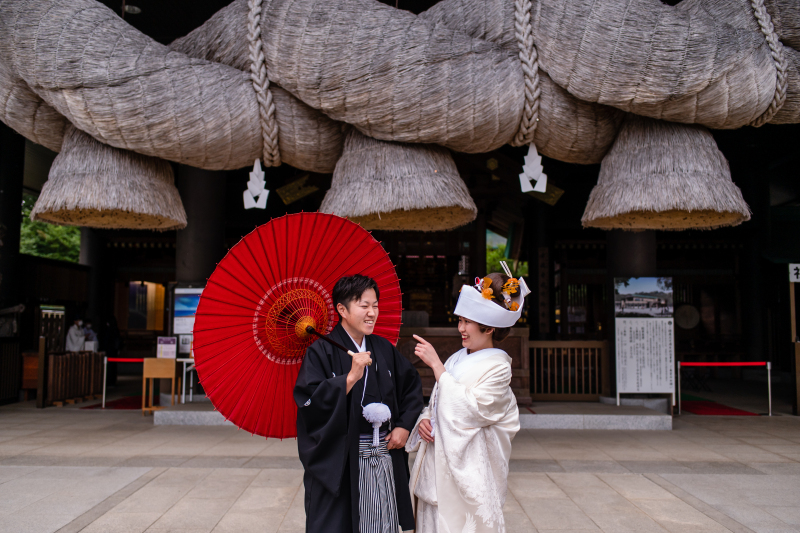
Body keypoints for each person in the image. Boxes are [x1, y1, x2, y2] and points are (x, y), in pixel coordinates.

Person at [294, 274, 424, 533]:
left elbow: (411, 387)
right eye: (364, 306)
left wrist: (404, 426)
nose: (372, 313)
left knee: (381, 521)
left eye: (375, 305)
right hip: (342, 458)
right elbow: (309, 402)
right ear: (342, 309)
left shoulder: (383, 348)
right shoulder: (321, 351)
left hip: (384, 453)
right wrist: (350, 378)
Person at [407, 264, 528, 533]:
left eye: (467, 322)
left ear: (489, 328)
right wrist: (426, 419)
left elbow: (472, 411)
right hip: (438, 468)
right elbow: (438, 401)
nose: (461, 328)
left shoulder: (499, 368)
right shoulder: (457, 358)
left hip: (469, 475)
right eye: (460, 320)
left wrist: (437, 367)